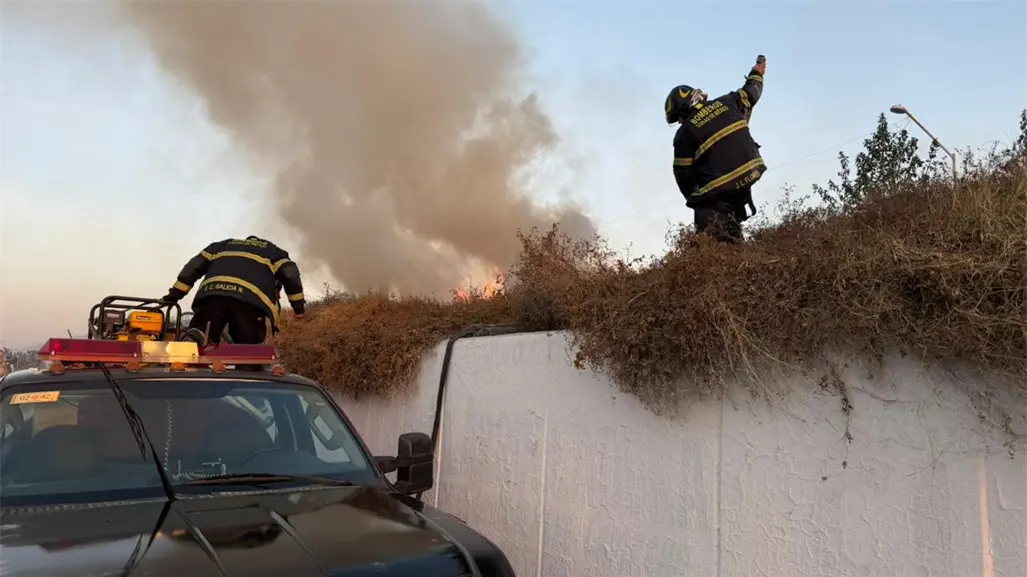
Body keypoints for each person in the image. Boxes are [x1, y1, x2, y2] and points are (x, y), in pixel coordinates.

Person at [665, 55, 767, 243]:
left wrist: (694, 198)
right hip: (750, 172)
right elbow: (752, 91)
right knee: (731, 226)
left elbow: (683, 176)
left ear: (684, 108)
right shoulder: (728, 101)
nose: (680, 121)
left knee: (706, 214)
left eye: (678, 117)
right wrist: (757, 72)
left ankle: (716, 254)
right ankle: (737, 249)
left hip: (720, 189)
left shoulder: (684, 133)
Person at [160, 235, 306, 345]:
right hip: (250, 302)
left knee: (201, 332)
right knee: (247, 349)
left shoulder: (220, 246)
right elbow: (290, 274)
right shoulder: (274, 252)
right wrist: (299, 308)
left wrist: (173, 296)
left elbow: (192, 268)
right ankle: (246, 367)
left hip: (213, 295)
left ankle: (194, 340)